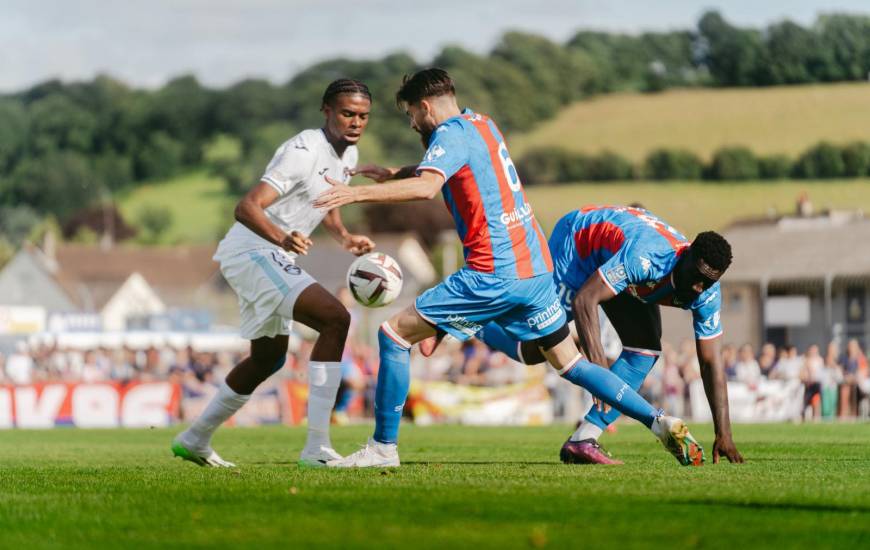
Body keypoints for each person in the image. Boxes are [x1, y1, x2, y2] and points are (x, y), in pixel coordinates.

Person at [314, 68, 703, 468]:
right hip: (534, 271)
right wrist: (395, 173)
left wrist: (355, 193)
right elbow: (446, 167)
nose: (413, 123)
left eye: (412, 115)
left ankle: (382, 448)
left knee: (393, 335)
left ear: (425, 106)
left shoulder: (448, 134)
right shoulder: (482, 125)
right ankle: (660, 421)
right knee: (569, 363)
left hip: (492, 270)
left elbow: (429, 185)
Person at [171, 79, 376, 468]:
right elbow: (246, 207)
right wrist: (283, 239)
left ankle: (194, 438)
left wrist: (345, 236)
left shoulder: (348, 156)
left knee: (268, 359)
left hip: (267, 254)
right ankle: (317, 447)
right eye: (348, 113)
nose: (356, 123)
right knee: (336, 318)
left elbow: (326, 203)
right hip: (254, 249)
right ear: (326, 111)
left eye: (363, 116)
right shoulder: (303, 151)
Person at [474, 205, 743, 464]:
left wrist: (724, 433)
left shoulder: (706, 293)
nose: (698, 288)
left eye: (708, 282)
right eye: (696, 277)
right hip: (577, 246)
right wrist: (599, 374)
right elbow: (584, 301)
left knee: (645, 350)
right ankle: (474, 320)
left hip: (612, 263)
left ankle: (583, 439)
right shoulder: (646, 258)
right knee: (534, 347)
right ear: (685, 257)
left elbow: (711, 362)